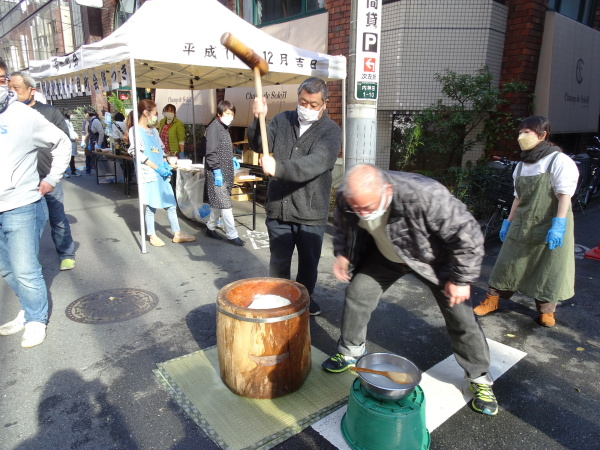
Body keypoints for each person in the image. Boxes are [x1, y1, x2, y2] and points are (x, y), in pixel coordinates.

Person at [322, 163, 499, 416]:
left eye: (368, 207)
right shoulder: (348, 196)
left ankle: (480, 378)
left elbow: (468, 234)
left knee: (460, 317)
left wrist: (461, 279)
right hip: (385, 255)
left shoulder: (425, 194)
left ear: (388, 190)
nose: (361, 213)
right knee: (358, 293)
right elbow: (342, 226)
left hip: (433, 260)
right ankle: (350, 352)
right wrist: (342, 254)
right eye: (356, 208)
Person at [247, 77, 342, 316]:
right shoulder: (282, 120)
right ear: (297, 98)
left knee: (308, 266)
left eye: (313, 104)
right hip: (279, 208)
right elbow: (260, 143)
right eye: (303, 102)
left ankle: (303, 302)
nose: (307, 108)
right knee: (278, 262)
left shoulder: (331, 132)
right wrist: (258, 118)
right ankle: (280, 303)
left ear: (324, 104)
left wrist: (278, 168)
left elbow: (314, 164)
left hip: (311, 212)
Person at [474, 116, 579, 327]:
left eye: (527, 132)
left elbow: (564, 196)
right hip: (523, 221)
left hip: (551, 222)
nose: (521, 136)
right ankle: (492, 300)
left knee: (548, 266)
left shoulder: (559, 161)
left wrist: (559, 226)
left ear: (542, 135)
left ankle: (546, 311)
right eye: (520, 132)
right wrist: (508, 221)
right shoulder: (522, 165)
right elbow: (518, 197)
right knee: (507, 261)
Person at [0, 83, 71, 347]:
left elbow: (63, 141)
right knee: (6, 268)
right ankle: (27, 308)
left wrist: (53, 178)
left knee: (25, 267)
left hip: (21, 202)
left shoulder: (23, 114)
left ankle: (35, 319)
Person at [9, 72, 77, 271]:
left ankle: (66, 252)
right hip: (20, 181)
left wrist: (54, 175)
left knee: (57, 217)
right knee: (25, 225)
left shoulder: (49, 112)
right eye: (9, 88)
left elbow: (64, 141)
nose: (12, 92)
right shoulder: (7, 115)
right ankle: (27, 262)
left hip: (48, 176)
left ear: (32, 90)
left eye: (16, 88)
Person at [126, 99, 196, 247]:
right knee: (151, 206)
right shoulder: (135, 130)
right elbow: (138, 154)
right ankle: (152, 235)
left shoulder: (154, 131)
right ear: (146, 113)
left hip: (161, 173)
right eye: (155, 113)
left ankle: (177, 233)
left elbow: (161, 149)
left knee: (170, 203)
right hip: (149, 173)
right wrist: (156, 167)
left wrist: (164, 163)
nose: (156, 116)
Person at [203, 101, 245, 246]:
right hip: (217, 173)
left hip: (225, 172)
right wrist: (216, 171)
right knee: (226, 205)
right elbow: (210, 152)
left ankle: (210, 227)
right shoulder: (214, 127)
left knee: (218, 202)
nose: (230, 116)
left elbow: (221, 149)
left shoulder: (223, 127)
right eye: (227, 113)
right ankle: (232, 235)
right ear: (220, 113)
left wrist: (230, 158)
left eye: (232, 114)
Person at [85, 109, 105, 175]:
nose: (85, 115)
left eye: (85, 113)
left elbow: (101, 133)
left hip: (97, 143)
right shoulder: (91, 121)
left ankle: (102, 174)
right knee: (95, 159)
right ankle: (99, 174)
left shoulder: (95, 121)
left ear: (88, 114)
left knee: (98, 160)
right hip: (93, 143)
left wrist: (99, 144)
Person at [63, 111, 81, 177]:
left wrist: (75, 135)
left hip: (72, 142)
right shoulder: (64, 122)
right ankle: (64, 172)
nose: (72, 115)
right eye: (71, 114)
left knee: (72, 158)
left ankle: (73, 171)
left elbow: (72, 131)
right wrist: (74, 137)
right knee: (66, 158)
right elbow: (67, 133)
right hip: (67, 142)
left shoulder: (69, 122)